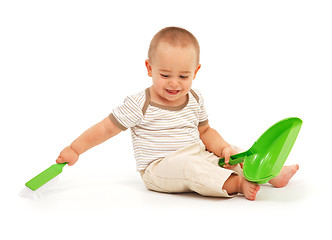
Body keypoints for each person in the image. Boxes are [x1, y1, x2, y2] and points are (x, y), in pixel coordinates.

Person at [56, 27, 299, 200]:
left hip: (196, 154)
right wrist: (75, 149)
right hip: (159, 168)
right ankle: (238, 184)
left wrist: (223, 147)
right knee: (191, 167)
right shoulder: (140, 103)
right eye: (165, 75)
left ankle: (270, 174)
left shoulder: (195, 98)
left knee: (231, 154)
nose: (174, 83)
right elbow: (105, 128)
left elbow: (205, 131)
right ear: (149, 68)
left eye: (184, 76)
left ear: (196, 71)